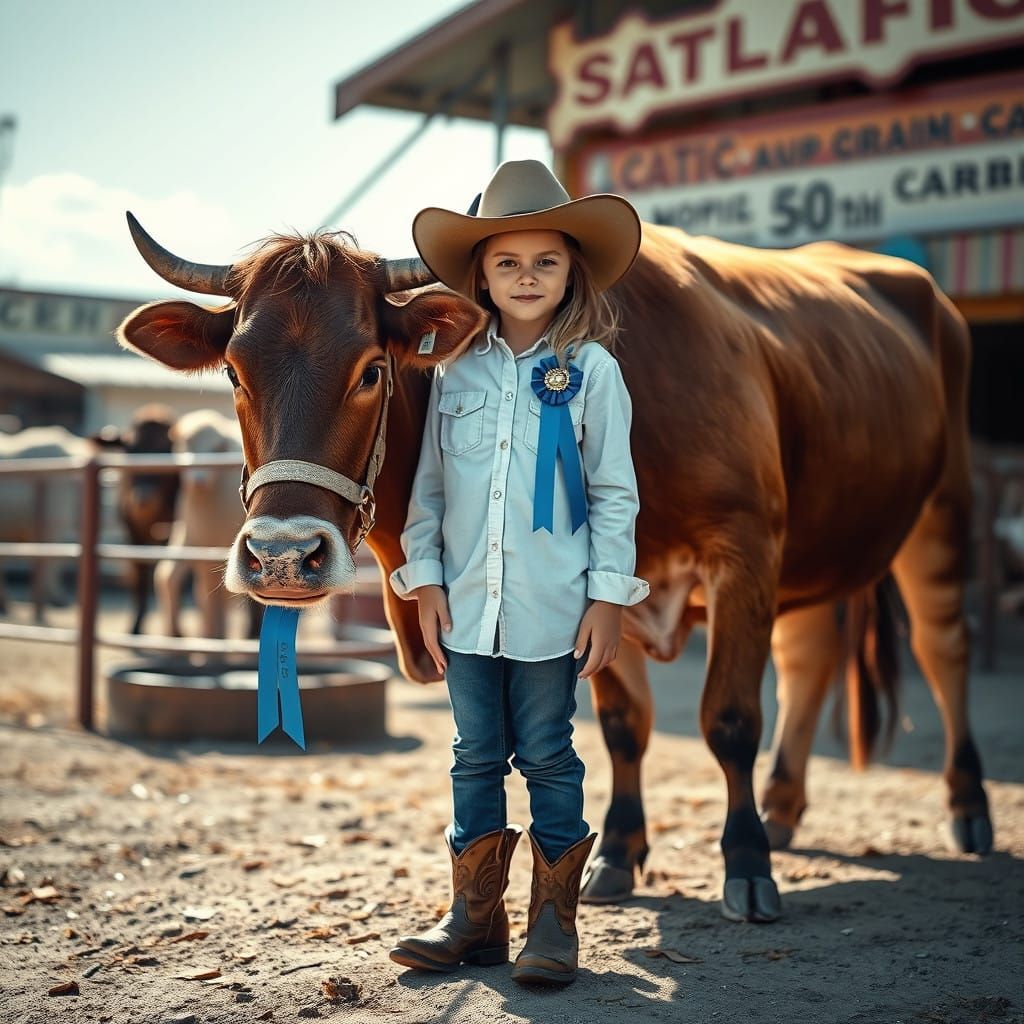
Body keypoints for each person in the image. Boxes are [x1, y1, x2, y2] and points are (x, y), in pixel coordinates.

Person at [387, 159, 649, 986]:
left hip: (550, 609)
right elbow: (427, 488)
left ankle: (553, 924)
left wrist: (608, 598)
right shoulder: (451, 372)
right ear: (481, 276)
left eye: (545, 260)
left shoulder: (593, 373)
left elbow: (613, 493)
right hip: (467, 606)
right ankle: (474, 918)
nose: (526, 276)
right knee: (472, 755)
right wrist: (423, 581)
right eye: (507, 262)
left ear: (573, 270)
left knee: (548, 755)